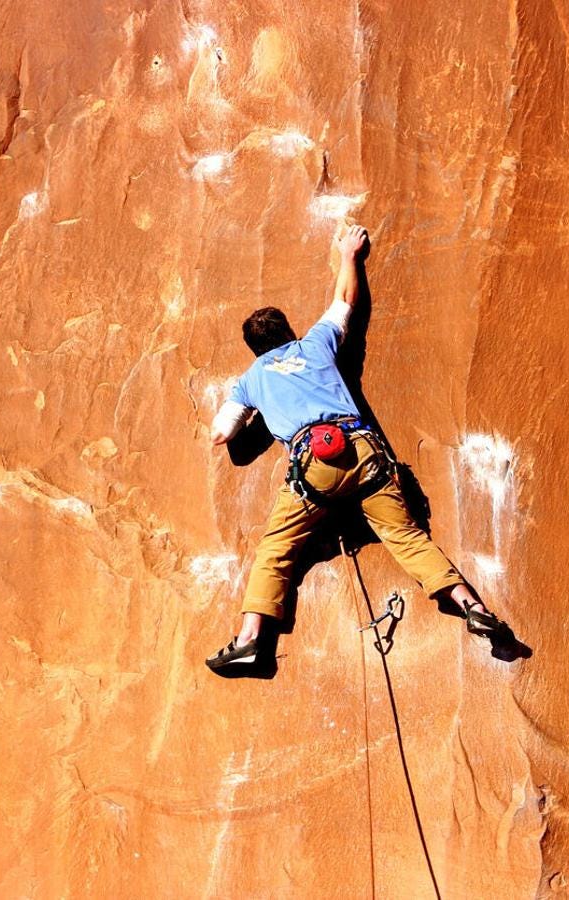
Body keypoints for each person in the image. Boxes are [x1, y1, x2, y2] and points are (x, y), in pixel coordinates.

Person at [205, 223, 509, 672]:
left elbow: (221, 433)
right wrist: (350, 255)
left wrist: (262, 411)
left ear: (254, 348)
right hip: (366, 455)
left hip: (314, 468)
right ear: (288, 330)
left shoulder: (251, 379)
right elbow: (345, 303)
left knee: (275, 549)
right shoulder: (314, 344)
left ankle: (250, 638)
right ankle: (470, 605)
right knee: (407, 538)